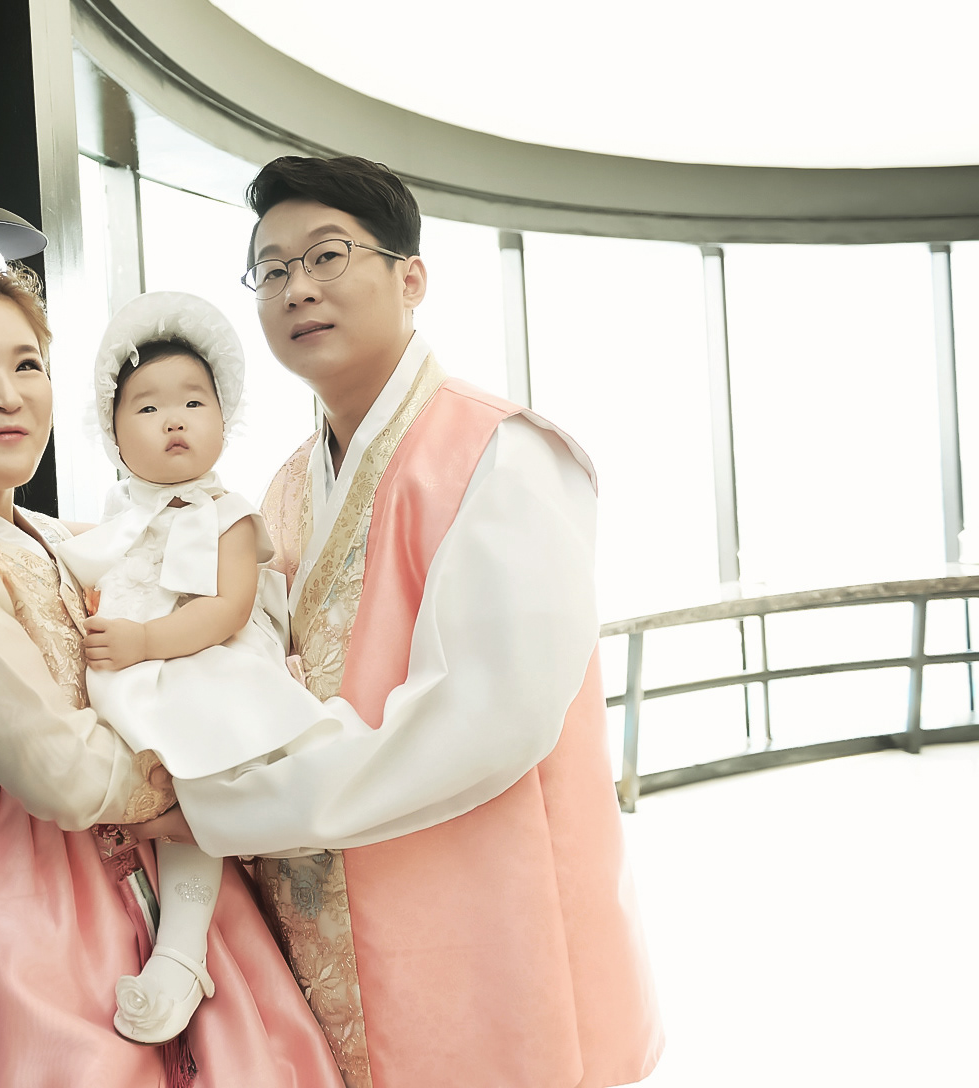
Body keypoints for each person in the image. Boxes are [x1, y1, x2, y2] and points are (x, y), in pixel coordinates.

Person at [172, 156, 664, 1088]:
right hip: (325, 938)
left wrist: (230, 808)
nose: (298, 288)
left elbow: (485, 721)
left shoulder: (501, 453)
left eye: (327, 255)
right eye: (271, 269)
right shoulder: (285, 485)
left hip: (483, 930)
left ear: (412, 278)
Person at [0, 263, 341, 1088]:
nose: (8, 394)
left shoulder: (45, 534)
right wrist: (220, 772)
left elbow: (172, 558)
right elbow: (64, 771)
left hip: (130, 853)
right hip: (4, 887)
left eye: (27, 365)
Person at [55, 292, 362, 1047]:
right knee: (142, 786)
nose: (175, 420)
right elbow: (83, 560)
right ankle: (154, 930)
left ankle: (182, 951)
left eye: (194, 402)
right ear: (113, 435)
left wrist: (145, 641)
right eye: (149, 407)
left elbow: (226, 610)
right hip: (143, 664)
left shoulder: (228, 513)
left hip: (206, 663)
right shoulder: (120, 513)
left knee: (197, 782)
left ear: (225, 421)